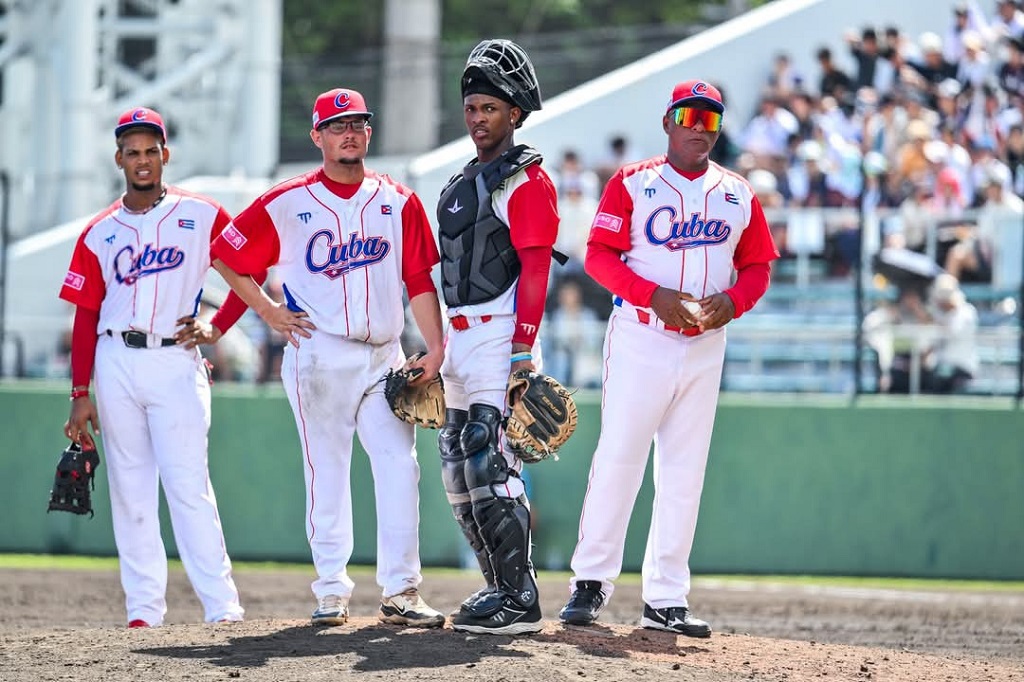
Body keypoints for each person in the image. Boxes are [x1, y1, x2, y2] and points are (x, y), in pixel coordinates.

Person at [209, 88, 446, 629]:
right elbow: (225, 252)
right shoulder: (288, 200)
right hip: (320, 354)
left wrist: (435, 347)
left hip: (385, 355)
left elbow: (417, 279)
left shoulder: (398, 200)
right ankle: (332, 591)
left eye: (359, 122)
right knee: (328, 473)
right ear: (317, 136)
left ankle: (402, 591)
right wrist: (268, 311)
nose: (350, 132)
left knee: (399, 467)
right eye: (338, 125)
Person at [557, 80, 779, 637]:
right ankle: (591, 583)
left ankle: (667, 597)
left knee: (684, 471)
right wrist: (651, 295)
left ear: (719, 129)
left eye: (709, 119)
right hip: (642, 335)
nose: (698, 128)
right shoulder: (633, 182)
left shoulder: (737, 191)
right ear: (668, 121)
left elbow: (758, 267)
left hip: (705, 343)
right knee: (620, 459)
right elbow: (599, 256)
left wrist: (731, 302)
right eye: (689, 116)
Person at [60, 107, 250, 628]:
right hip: (115, 359)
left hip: (175, 358)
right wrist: (81, 391)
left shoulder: (202, 214)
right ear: (119, 159)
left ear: (165, 155)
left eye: (151, 151)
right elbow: (85, 316)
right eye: (132, 152)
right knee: (130, 488)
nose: (142, 160)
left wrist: (218, 327)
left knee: (189, 486)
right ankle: (143, 611)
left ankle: (223, 608)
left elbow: (247, 272)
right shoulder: (99, 231)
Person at [434, 38, 559, 635]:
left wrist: (522, 354)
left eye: (490, 107)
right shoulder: (462, 181)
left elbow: (535, 268)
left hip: (499, 334)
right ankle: (495, 589)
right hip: (459, 337)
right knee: (457, 462)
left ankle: (520, 596)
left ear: (515, 112)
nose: (479, 118)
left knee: (489, 455)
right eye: (472, 108)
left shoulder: (526, 180)